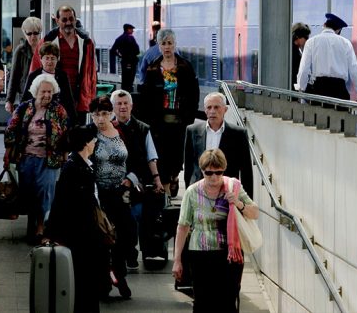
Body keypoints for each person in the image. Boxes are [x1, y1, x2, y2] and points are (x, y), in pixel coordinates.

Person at [172, 149, 259, 313]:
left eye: (218, 172)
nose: (214, 177)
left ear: (223, 170)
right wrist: (177, 260)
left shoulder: (233, 187)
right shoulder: (192, 192)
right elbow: (183, 226)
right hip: (200, 254)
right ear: (202, 171)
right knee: (203, 303)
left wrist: (238, 203)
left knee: (227, 303)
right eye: (209, 173)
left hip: (229, 255)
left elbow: (255, 213)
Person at [43, 125, 109, 313]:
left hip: (87, 233)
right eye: (93, 140)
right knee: (83, 281)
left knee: (88, 281)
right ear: (86, 143)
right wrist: (51, 233)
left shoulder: (83, 166)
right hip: (80, 235)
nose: (95, 143)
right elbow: (61, 202)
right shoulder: (73, 168)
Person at [4, 74, 69, 241]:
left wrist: (65, 157)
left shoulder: (58, 110)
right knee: (29, 194)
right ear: (35, 92)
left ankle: (42, 229)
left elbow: (66, 135)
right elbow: (11, 129)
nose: (47, 95)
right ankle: (32, 228)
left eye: (50, 92)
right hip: (26, 158)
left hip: (49, 160)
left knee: (45, 194)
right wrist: (8, 153)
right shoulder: (24, 108)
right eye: (43, 91)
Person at [141, 29, 199, 197]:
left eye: (170, 43)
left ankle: (174, 176)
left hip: (181, 121)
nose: (167, 47)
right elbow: (146, 97)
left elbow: (193, 93)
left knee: (178, 156)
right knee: (162, 156)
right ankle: (165, 193)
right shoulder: (152, 69)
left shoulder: (185, 67)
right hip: (159, 122)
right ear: (159, 46)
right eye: (163, 44)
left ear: (175, 44)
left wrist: (190, 115)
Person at [110, 89, 163, 269]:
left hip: (137, 183)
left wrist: (157, 180)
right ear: (113, 107)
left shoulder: (143, 128)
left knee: (135, 218)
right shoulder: (107, 129)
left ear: (131, 106)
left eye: (126, 103)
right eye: (119, 104)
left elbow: (150, 157)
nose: (123, 107)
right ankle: (123, 253)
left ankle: (132, 253)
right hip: (114, 183)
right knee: (118, 221)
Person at [89, 96, 134, 299]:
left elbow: (135, 157)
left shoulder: (121, 132)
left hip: (121, 192)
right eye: (96, 114)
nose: (100, 119)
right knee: (103, 238)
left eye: (104, 114)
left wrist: (131, 179)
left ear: (111, 114)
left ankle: (118, 272)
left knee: (126, 235)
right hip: (100, 194)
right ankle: (106, 281)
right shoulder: (90, 135)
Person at [33, 4, 97, 123]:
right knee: (55, 131)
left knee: (77, 131)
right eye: (64, 20)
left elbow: (91, 73)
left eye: (71, 19)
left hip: (79, 99)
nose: (68, 22)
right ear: (57, 21)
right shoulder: (47, 41)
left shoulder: (86, 43)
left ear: (75, 19)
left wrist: (91, 97)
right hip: (55, 98)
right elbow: (35, 70)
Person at [184, 92, 254, 198]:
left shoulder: (238, 134)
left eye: (216, 107)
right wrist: (188, 195)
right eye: (209, 107)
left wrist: (247, 201)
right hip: (199, 193)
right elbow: (188, 166)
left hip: (226, 194)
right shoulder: (192, 131)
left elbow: (246, 171)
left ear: (225, 109)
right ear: (205, 110)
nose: (212, 111)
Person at [296, 13, 357, 101]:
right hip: (339, 91)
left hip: (319, 90)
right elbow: (354, 69)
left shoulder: (311, 42)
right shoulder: (346, 43)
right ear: (338, 29)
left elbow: (304, 68)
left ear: (324, 25)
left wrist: (301, 88)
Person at [21, 42, 77, 124]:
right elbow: (26, 98)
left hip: (58, 117)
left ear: (57, 59)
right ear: (41, 59)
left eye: (53, 58)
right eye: (47, 58)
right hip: (36, 115)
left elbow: (69, 100)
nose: (50, 61)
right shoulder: (33, 75)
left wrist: (73, 121)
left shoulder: (62, 76)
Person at [6, 17, 42, 114]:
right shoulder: (20, 50)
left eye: (36, 33)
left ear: (40, 33)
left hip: (43, 94)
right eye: (29, 34)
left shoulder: (45, 49)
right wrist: (9, 100)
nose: (33, 37)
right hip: (25, 94)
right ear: (24, 34)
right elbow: (14, 76)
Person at [110, 23, 140, 92]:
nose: (133, 31)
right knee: (130, 80)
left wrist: (120, 55)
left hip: (124, 61)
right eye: (131, 29)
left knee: (124, 79)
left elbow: (112, 50)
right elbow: (137, 50)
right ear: (128, 29)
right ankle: (129, 94)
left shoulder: (119, 38)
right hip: (132, 61)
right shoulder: (131, 38)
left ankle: (124, 93)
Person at [291, 22, 310, 89]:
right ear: (298, 36)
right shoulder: (293, 52)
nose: (307, 40)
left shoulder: (293, 49)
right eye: (306, 37)